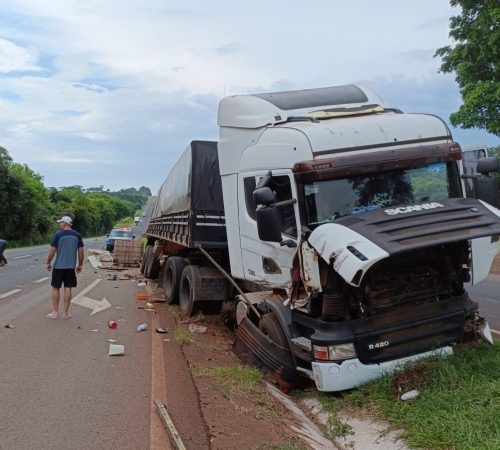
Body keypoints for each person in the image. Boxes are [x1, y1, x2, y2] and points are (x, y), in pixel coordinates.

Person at [46, 216, 84, 319]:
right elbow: (80, 251)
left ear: (65, 223)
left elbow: (52, 250)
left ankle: (54, 312)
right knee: (68, 288)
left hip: (58, 267)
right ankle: (65, 313)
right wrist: (80, 264)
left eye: (61, 222)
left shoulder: (58, 234)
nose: (60, 224)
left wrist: (48, 262)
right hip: (70, 267)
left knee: (55, 288)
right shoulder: (77, 235)